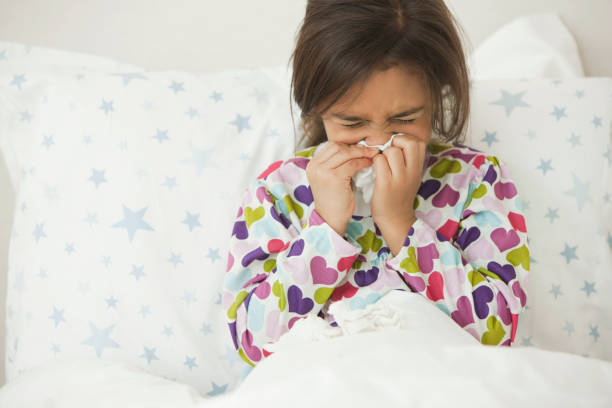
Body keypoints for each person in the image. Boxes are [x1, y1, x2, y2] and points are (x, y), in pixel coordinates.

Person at [222, 0, 529, 368]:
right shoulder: (278, 192)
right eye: (352, 124)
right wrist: (326, 229)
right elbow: (253, 345)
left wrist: (401, 223)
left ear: (436, 95)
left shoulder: (476, 181)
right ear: (317, 107)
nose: (377, 141)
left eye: (404, 118)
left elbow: (495, 334)